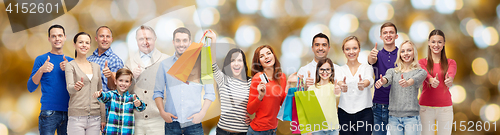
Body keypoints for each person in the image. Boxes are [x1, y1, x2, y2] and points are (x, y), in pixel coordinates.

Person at [153, 27, 216, 135]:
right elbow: (157, 92)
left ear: (190, 42)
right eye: (178, 40)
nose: (181, 44)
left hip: (194, 124)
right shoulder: (164, 64)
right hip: (172, 124)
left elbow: (210, 93)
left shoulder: (203, 63)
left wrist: (202, 114)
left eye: (184, 40)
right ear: (173, 42)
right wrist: (162, 112)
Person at [27, 24, 74, 135]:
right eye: (53, 36)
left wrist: (70, 70)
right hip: (49, 113)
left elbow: (79, 87)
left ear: (65, 37)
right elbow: (30, 87)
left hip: (69, 112)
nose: (57, 39)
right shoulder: (41, 59)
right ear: (49, 39)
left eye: (60, 35)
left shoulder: (71, 62)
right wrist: (41, 70)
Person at [124, 25, 170, 135]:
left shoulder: (167, 61)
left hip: (159, 120)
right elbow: (123, 91)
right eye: (141, 39)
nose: (145, 42)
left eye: (148, 38)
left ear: (155, 39)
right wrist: (132, 78)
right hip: (136, 121)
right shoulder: (129, 63)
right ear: (136, 41)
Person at [205, 29, 252, 135]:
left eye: (239, 60)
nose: (236, 64)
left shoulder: (250, 83)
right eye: (233, 61)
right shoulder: (223, 80)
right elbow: (213, 64)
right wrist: (213, 40)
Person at [374, 40, 426, 135]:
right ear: (399, 54)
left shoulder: (420, 72)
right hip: (394, 118)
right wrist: (383, 81)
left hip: (411, 118)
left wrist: (408, 82)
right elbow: (387, 78)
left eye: (409, 50)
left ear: (414, 52)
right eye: (402, 51)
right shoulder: (393, 71)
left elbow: (416, 79)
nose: (406, 53)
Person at [248, 45, 295, 135]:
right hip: (257, 131)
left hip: (273, 130)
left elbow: (283, 105)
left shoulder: (282, 77)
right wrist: (260, 96)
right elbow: (250, 110)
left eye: (268, 53)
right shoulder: (258, 78)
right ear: (259, 62)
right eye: (261, 56)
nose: (266, 57)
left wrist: (288, 84)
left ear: (273, 55)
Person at [64, 32, 106, 134]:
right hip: (76, 118)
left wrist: (103, 117)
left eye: (87, 43)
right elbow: (69, 88)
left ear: (90, 46)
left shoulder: (96, 67)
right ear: (74, 45)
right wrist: (75, 87)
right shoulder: (70, 66)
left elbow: (101, 93)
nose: (84, 45)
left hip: (95, 118)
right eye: (81, 42)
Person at [418, 30, 457, 135]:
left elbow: (451, 72)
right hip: (425, 109)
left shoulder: (451, 62)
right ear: (428, 43)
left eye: (439, 42)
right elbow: (424, 73)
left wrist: (449, 79)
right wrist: (430, 80)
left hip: (445, 109)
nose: (436, 45)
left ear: (444, 43)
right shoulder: (422, 62)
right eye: (433, 42)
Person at [87, 26, 124, 130]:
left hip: (108, 110)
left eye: (108, 37)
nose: (105, 39)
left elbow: (117, 88)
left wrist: (110, 76)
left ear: (111, 39)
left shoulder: (115, 60)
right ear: (96, 38)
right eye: (101, 36)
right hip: (90, 109)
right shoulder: (89, 60)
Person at [335, 36, 374, 135]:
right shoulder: (340, 69)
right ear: (343, 51)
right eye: (347, 49)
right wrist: (341, 85)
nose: (351, 52)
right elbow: (339, 80)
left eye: (354, 48)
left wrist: (363, 84)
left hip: (365, 112)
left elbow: (369, 79)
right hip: (344, 113)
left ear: (359, 49)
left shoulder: (367, 67)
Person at [93, 68, 146, 135]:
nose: (123, 84)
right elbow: (104, 96)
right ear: (115, 81)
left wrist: (139, 104)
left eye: (126, 81)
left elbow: (142, 107)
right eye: (120, 80)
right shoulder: (111, 95)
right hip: (111, 132)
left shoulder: (132, 98)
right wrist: (100, 95)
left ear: (130, 83)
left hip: (126, 132)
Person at [368, 22, 399, 135]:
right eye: (385, 33)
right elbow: (371, 61)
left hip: (398, 106)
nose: (388, 35)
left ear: (396, 36)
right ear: (381, 37)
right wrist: (371, 56)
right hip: (378, 106)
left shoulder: (402, 54)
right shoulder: (376, 55)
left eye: (391, 32)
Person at [306, 58, 340, 135]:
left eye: (328, 69)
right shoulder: (311, 88)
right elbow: (309, 111)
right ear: (318, 71)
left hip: (333, 127)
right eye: (322, 69)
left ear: (332, 71)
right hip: (316, 128)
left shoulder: (333, 87)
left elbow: (337, 93)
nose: (325, 72)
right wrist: (308, 130)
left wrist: (337, 89)